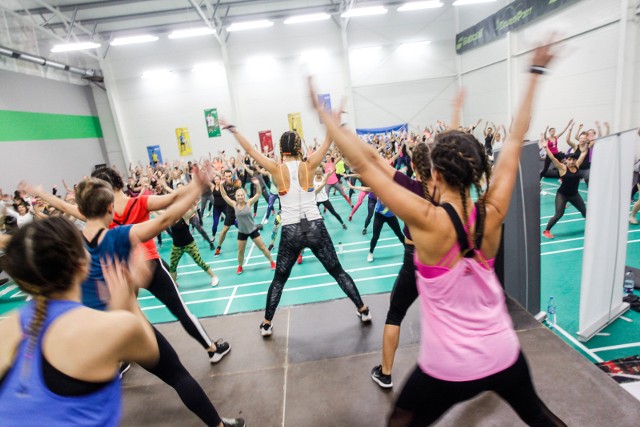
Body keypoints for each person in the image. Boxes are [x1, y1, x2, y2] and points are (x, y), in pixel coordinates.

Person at [311, 41, 566, 426]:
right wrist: (535, 74)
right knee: (541, 417)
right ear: (478, 172)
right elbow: (516, 136)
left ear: (434, 174)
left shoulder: (427, 221)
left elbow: (365, 162)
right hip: (502, 353)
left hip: (446, 368)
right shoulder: (492, 212)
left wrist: (328, 119)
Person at [20, 167, 225, 364]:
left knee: (123, 315)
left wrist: (41, 193)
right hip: (149, 265)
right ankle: (211, 349)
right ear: (118, 182)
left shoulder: (98, 211)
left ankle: (121, 359)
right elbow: (171, 200)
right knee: (180, 310)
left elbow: (64, 206)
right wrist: (197, 184)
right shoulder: (140, 202)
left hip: (119, 272)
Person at [0, 217, 159, 426]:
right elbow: (150, 353)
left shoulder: (6, 326)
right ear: (81, 264)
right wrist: (128, 298)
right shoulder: (117, 327)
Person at [219, 118, 371, 337]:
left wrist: (234, 130)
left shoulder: (276, 168)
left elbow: (251, 149)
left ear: (281, 149)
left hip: (291, 231)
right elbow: (328, 140)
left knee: (279, 279)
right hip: (315, 226)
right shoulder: (309, 165)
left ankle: (266, 324)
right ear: (299, 147)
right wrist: (333, 122)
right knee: (337, 271)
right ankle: (363, 309)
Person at [369, 143, 434, 389]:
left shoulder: (410, 186)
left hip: (414, 260)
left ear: (414, 166)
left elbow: (379, 164)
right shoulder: (445, 190)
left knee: (395, 313)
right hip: (441, 259)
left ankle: (385, 373)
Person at [219, 178, 276, 275]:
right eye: (238, 195)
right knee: (241, 252)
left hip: (253, 230)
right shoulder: (234, 204)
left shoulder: (248, 203)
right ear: (236, 197)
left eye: (241, 195)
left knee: (262, 247)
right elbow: (224, 195)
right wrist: (221, 185)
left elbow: (258, 194)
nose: (240, 197)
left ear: (244, 196)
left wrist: (257, 184)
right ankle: (240, 266)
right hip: (242, 232)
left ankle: (272, 262)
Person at [169, 201, 221, 285]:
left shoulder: (184, 216)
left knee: (199, 261)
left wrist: (191, 202)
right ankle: (174, 284)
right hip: (176, 247)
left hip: (189, 244)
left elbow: (193, 210)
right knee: (172, 266)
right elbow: (160, 214)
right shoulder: (170, 219)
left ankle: (214, 277)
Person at [542, 145, 588, 239]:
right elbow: (552, 158)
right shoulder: (562, 168)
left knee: (584, 211)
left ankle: (591, 227)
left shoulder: (577, 165)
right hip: (562, 195)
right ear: (566, 160)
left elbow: (583, 153)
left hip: (574, 194)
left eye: (573, 160)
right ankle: (546, 231)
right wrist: (546, 148)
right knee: (559, 214)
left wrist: (586, 145)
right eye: (570, 159)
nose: (572, 161)